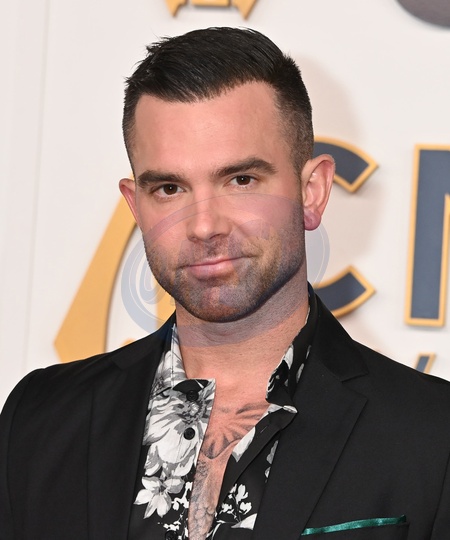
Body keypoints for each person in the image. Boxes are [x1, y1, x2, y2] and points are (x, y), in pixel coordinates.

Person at [1, 27, 450, 540]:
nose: (203, 226)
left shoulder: (433, 435)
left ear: (312, 191)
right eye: (169, 188)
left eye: (241, 180)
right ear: (136, 206)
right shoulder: (39, 420)